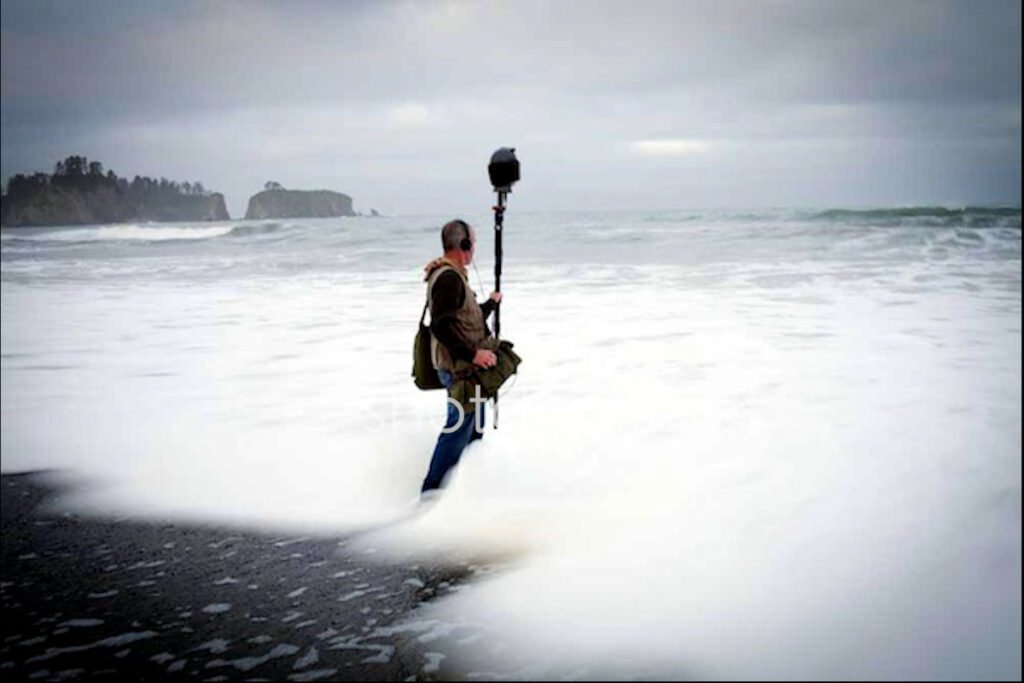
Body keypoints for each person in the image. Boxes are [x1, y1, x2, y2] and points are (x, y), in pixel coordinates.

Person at [420, 219, 502, 493]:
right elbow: (441, 325)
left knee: (474, 430)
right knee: (458, 431)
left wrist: (490, 304)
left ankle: (465, 492)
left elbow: (463, 317)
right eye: (473, 242)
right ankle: (431, 494)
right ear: (464, 244)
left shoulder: (453, 275)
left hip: (468, 370)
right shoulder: (449, 279)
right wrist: (474, 354)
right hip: (459, 369)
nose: (475, 247)